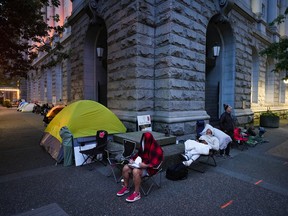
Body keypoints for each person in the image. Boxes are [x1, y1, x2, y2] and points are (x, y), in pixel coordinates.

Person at [116, 132, 163, 203]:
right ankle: (126, 187)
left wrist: (146, 165)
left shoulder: (157, 149)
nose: (143, 141)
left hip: (150, 169)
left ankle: (137, 193)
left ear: (149, 140)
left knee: (135, 171)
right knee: (125, 167)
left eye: (145, 140)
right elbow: (139, 154)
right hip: (140, 165)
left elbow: (156, 163)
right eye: (143, 139)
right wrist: (133, 159)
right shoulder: (144, 145)